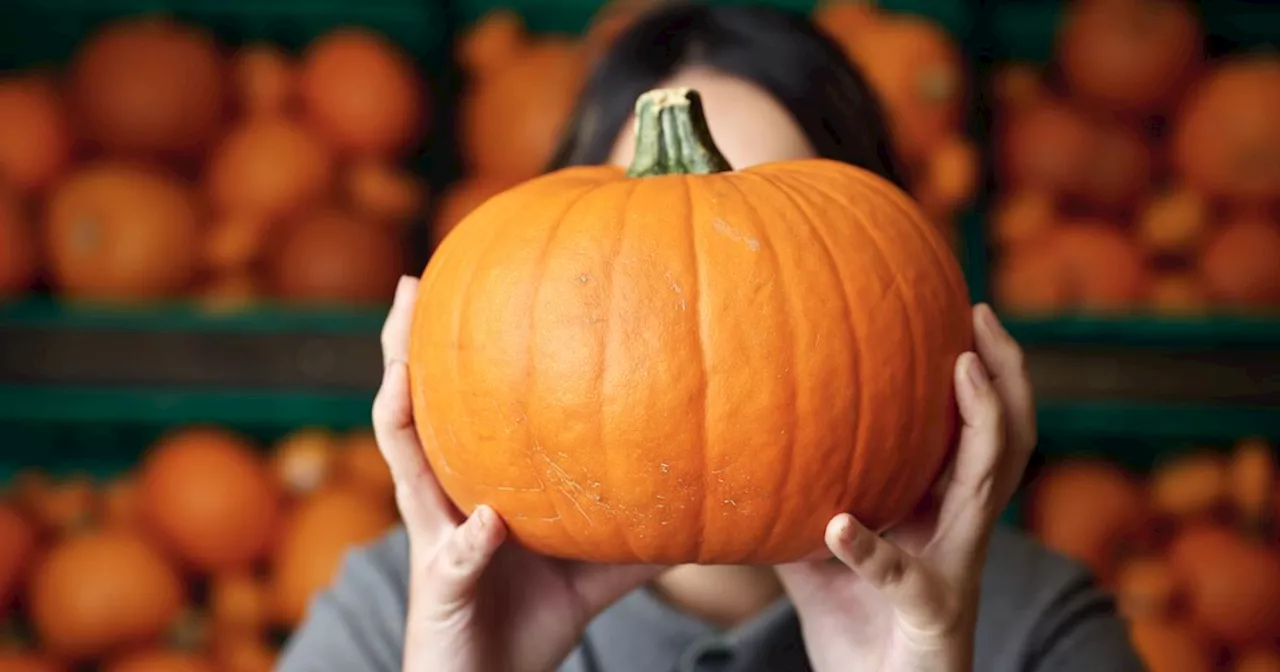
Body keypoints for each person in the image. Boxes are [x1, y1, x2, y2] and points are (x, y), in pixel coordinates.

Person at [278, 4, 1145, 671]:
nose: (697, 350)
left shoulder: (1035, 628)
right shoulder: (395, 610)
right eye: (640, 264)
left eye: (773, 268)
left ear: (906, 299)